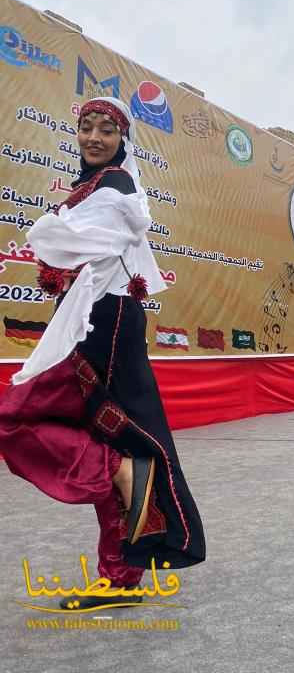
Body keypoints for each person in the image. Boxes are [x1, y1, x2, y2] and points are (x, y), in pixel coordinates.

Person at [0, 98, 205, 610]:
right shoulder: (89, 186)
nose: (93, 137)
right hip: (92, 314)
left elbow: (76, 242)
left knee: (22, 417)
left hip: (104, 321)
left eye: (106, 130)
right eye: (86, 128)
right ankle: (120, 576)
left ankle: (119, 468)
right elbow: (67, 246)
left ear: (122, 139)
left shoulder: (115, 185)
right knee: (105, 430)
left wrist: (51, 233)